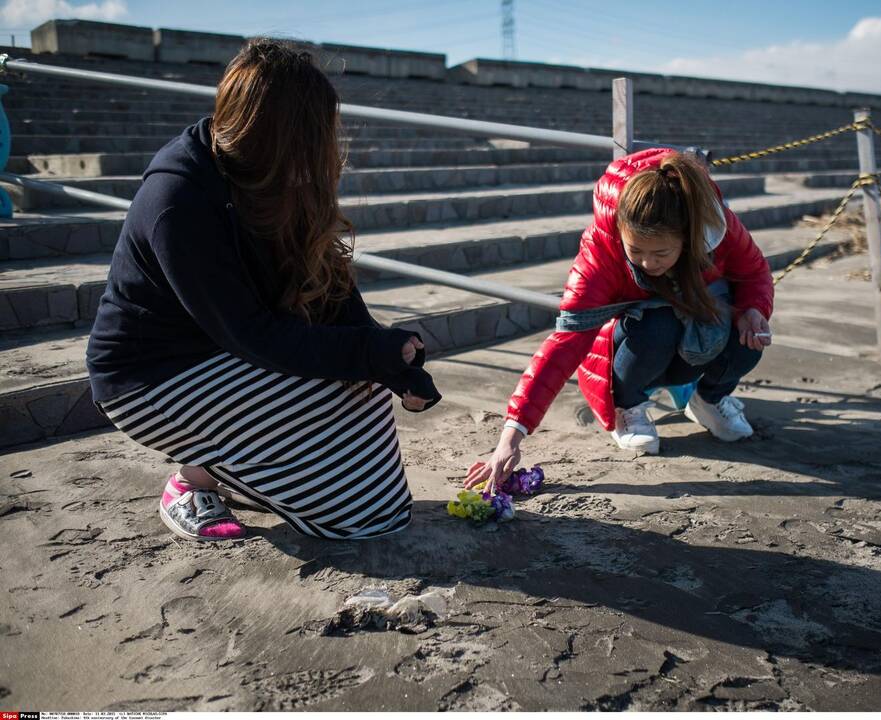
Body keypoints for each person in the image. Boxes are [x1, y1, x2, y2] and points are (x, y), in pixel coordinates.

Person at [86, 40, 440, 542]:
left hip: (233, 351)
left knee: (362, 395)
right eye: (316, 134)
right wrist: (365, 351)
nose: (327, 147)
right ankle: (193, 478)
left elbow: (329, 285)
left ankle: (238, 465)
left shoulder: (270, 177)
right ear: (276, 135)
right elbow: (252, 334)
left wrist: (391, 362)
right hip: (154, 374)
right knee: (365, 517)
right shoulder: (179, 198)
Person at [467, 148, 773, 490]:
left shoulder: (717, 225)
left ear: (689, 238)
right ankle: (628, 406)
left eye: (661, 253)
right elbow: (565, 343)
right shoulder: (601, 251)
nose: (647, 263)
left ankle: (710, 399)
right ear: (620, 232)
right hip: (634, 346)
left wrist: (754, 310)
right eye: (636, 251)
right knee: (657, 326)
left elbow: (754, 272)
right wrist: (511, 437)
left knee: (749, 338)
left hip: (695, 331)